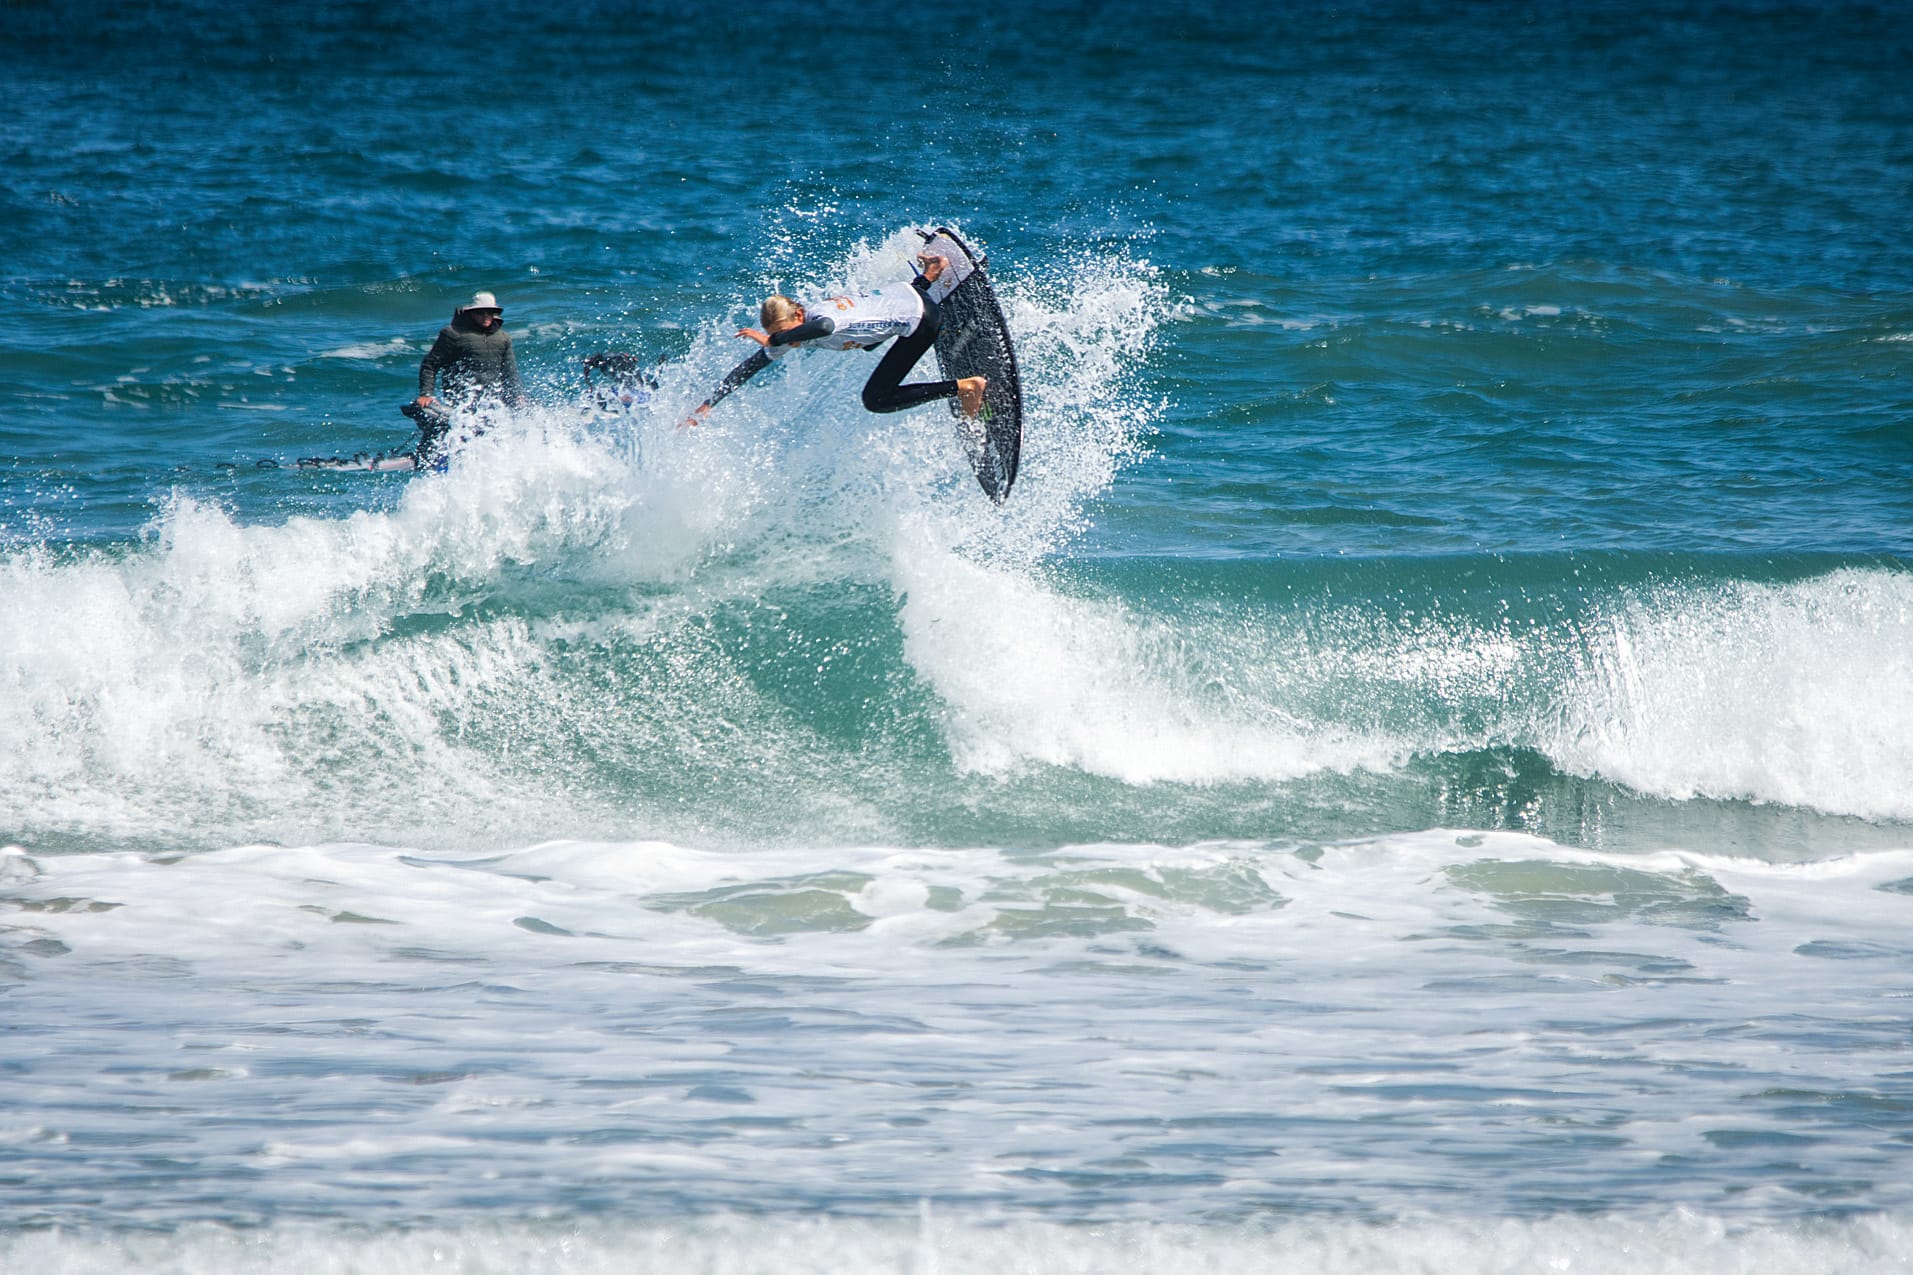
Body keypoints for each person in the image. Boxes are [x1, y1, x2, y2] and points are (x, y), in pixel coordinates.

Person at [682, 254, 985, 427]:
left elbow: (825, 327)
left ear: (798, 314)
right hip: (913, 293)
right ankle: (931, 272)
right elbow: (753, 365)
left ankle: (966, 387)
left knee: (876, 400)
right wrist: (709, 404)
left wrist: (774, 338)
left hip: (921, 320)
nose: (785, 339)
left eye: (785, 331)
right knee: (869, 341)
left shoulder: (820, 316)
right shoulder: (797, 332)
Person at [409, 290, 528, 460]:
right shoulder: (453, 334)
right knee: (453, 428)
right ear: (471, 313)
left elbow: (510, 372)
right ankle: (427, 458)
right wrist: (426, 394)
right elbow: (430, 364)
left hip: (491, 400)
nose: (485, 316)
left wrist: (517, 396)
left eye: (490, 312)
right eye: (480, 312)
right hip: (461, 399)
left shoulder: (503, 339)